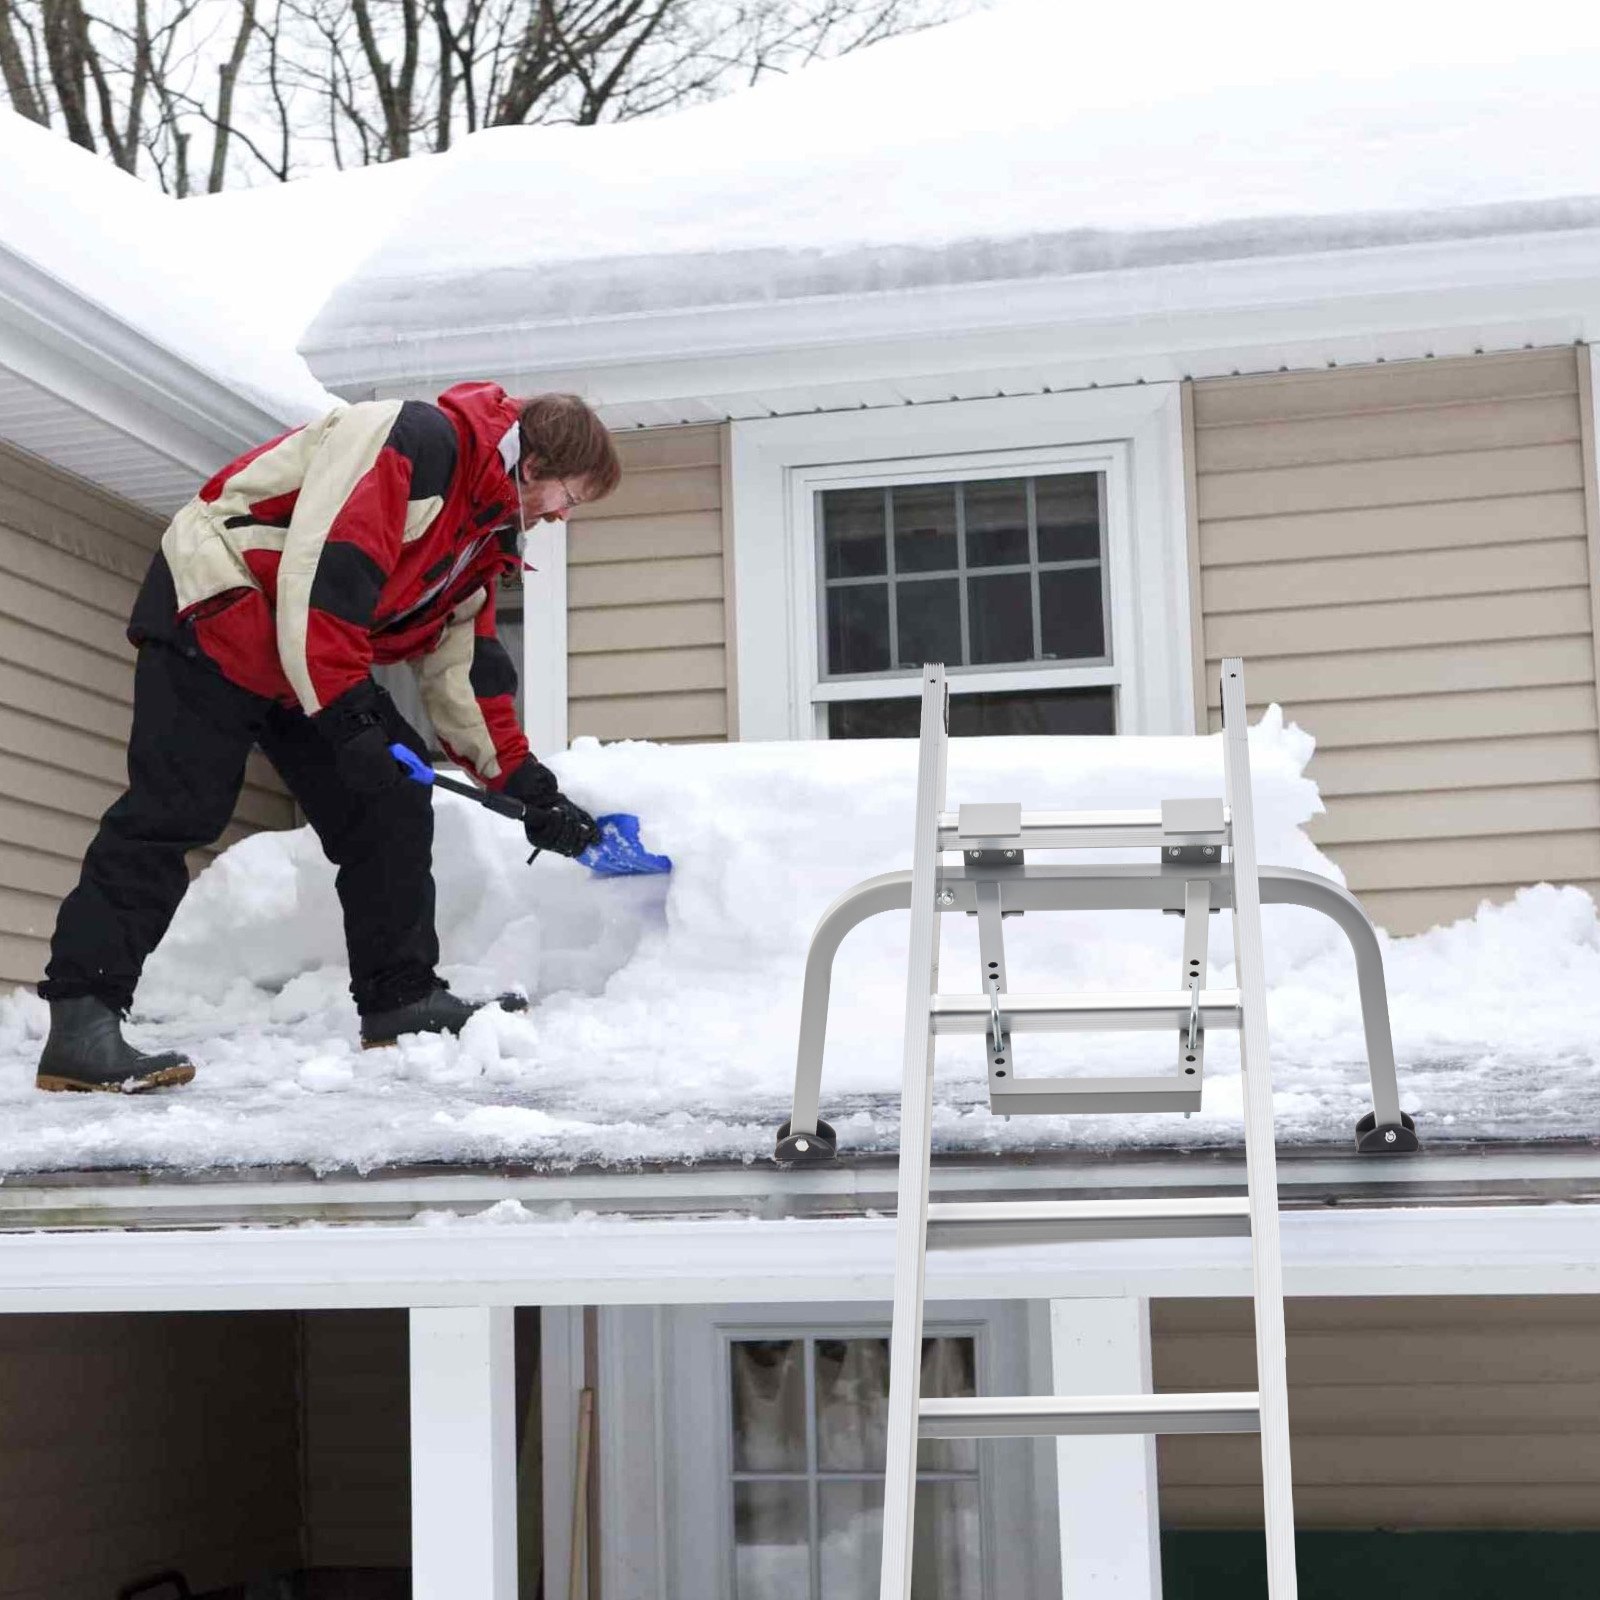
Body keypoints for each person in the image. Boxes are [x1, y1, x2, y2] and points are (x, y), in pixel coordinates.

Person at [34, 382, 620, 1093]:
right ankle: (82, 1022)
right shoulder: (417, 441)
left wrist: (529, 790)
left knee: (393, 802)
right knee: (176, 811)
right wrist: (349, 718)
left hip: (299, 655)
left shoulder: (483, 534)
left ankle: (400, 998)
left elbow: (465, 675)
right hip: (221, 606)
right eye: (571, 497)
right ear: (534, 466)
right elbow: (326, 573)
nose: (563, 517)